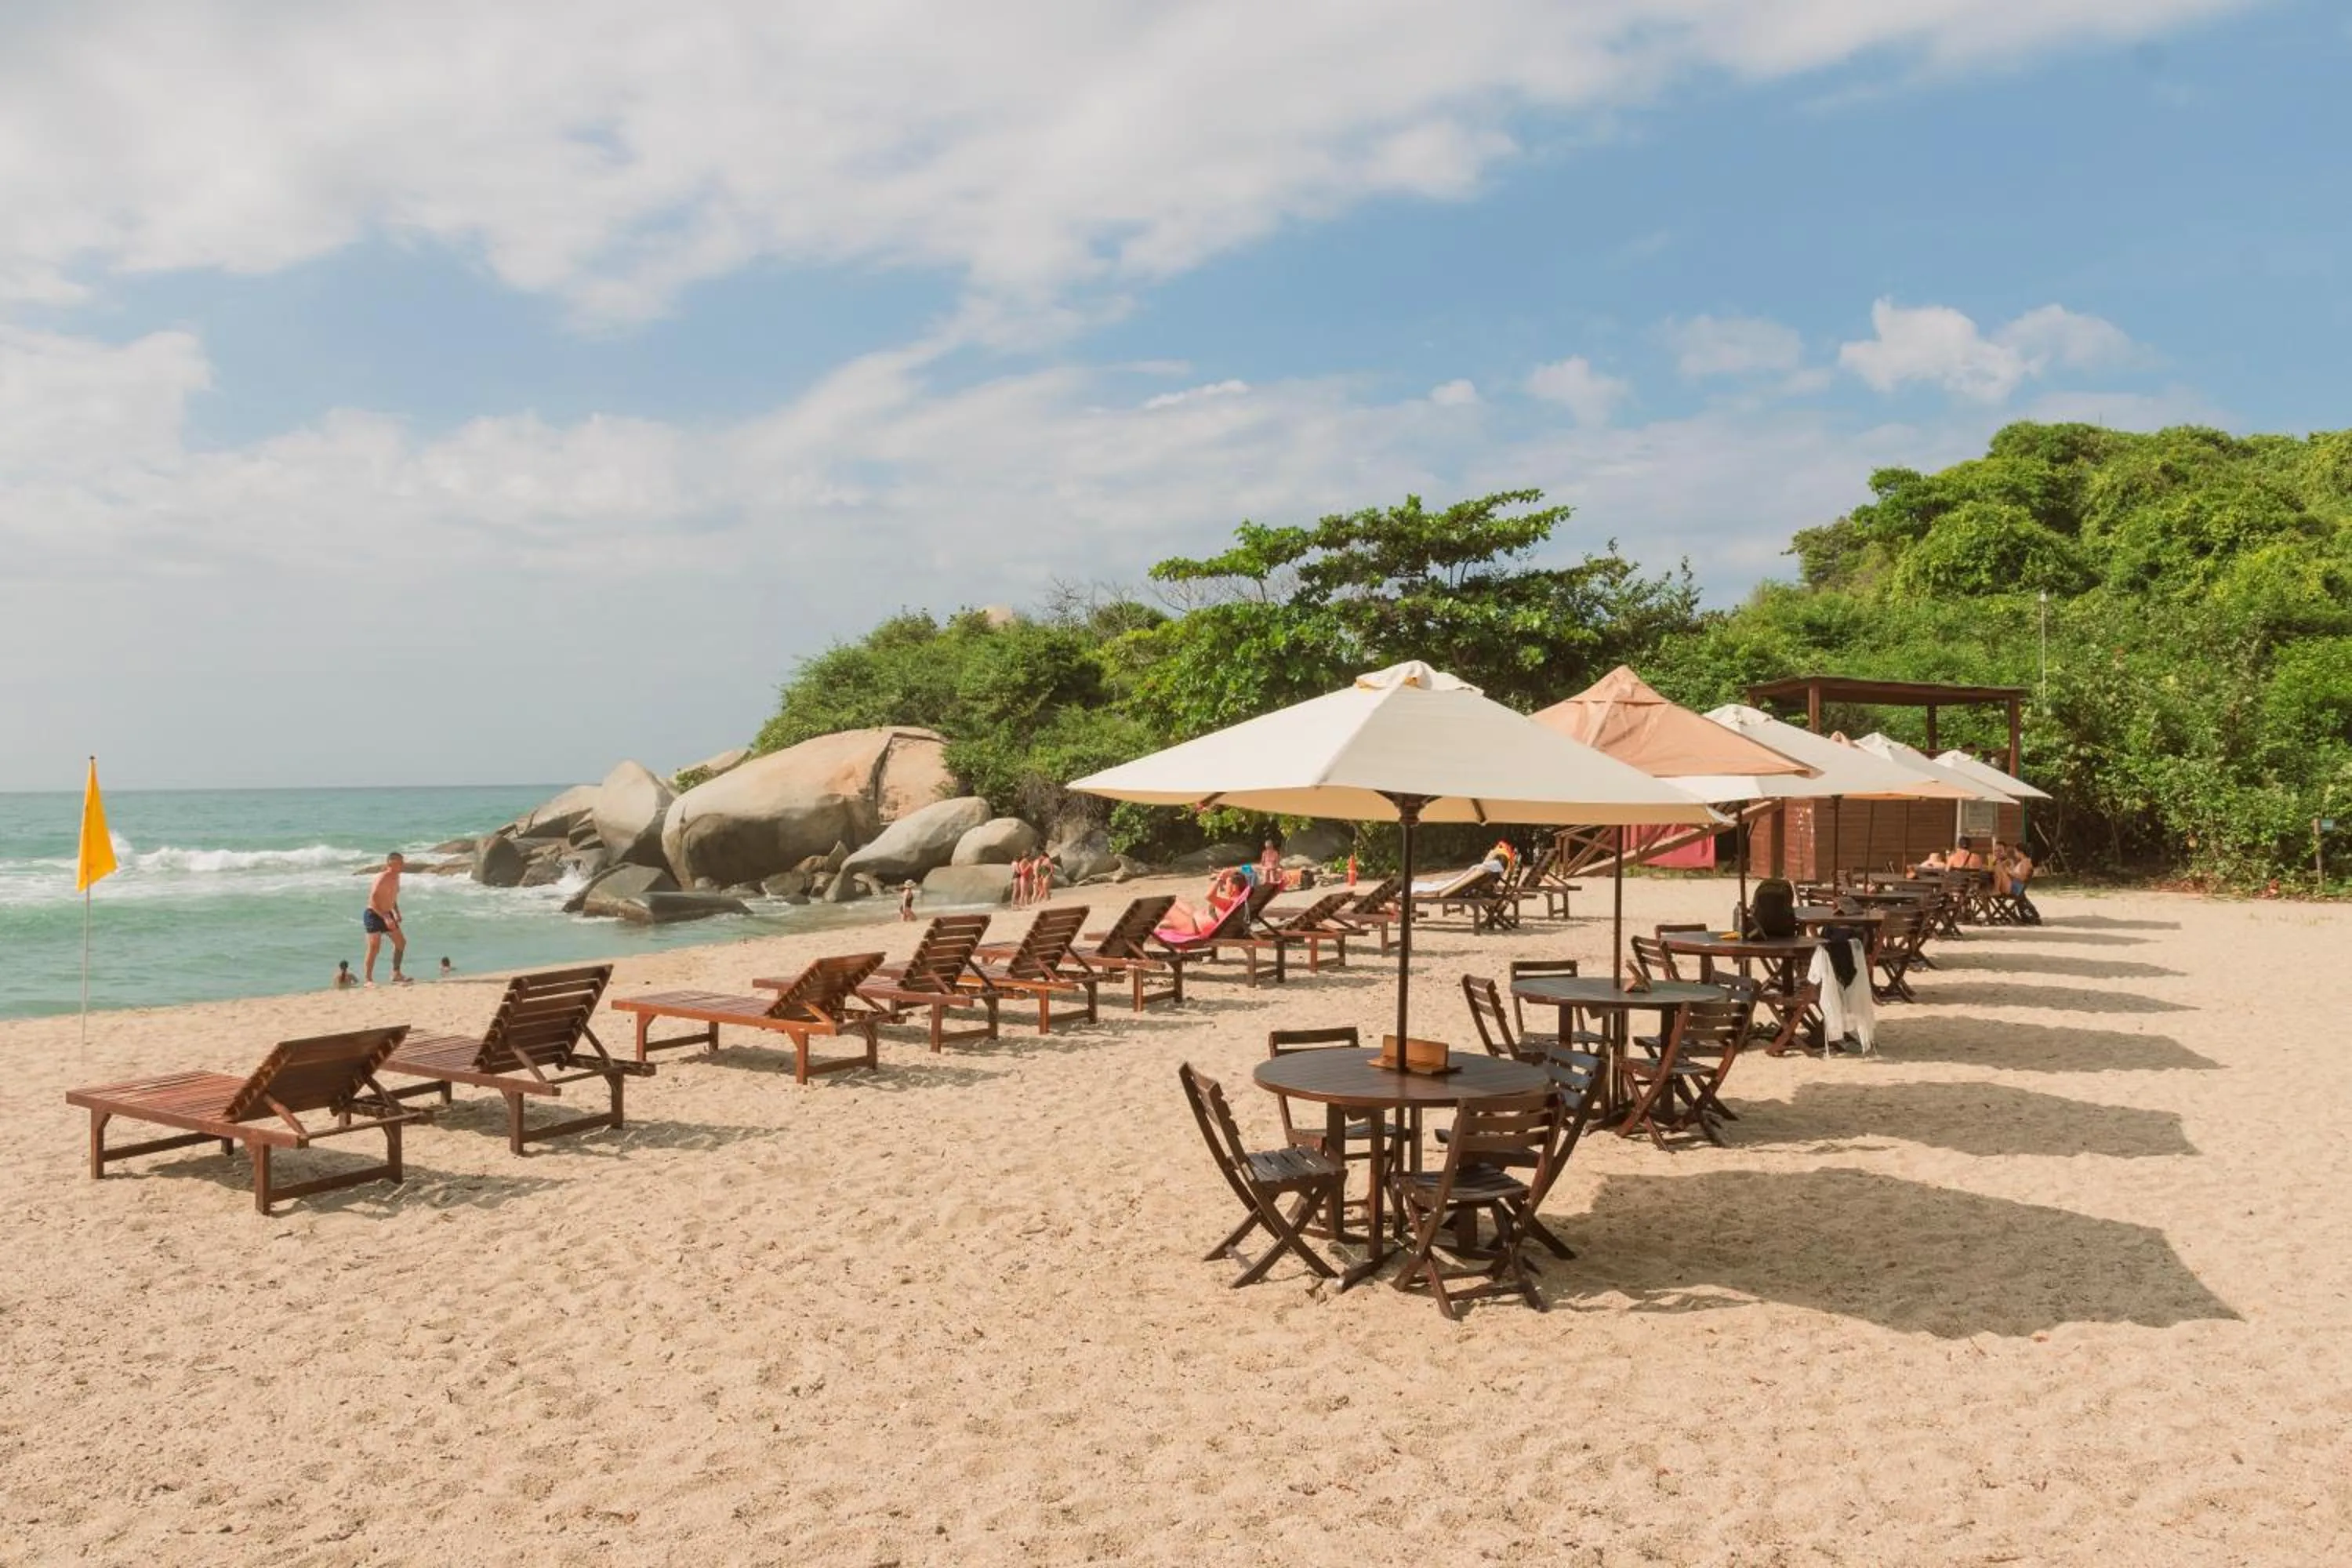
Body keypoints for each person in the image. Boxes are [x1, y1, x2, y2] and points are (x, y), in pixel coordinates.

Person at [1154, 868, 1248, 941]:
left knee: (1165, 905)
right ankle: (1167, 925)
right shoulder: (1237, 899)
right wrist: (1228, 873)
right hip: (1194, 919)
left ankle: (1163, 926)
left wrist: (1219, 879)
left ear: (1234, 887)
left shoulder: (1230, 903)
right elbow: (1240, 877)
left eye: (1226, 883)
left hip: (1193, 926)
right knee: (1173, 900)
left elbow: (1209, 896)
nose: (1224, 886)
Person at [363, 851, 409, 985]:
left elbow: (391, 897)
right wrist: (384, 917)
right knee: (374, 947)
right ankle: (368, 979)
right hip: (374, 914)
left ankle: (396, 974)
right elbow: (373, 899)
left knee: (401, 942)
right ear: (391, 863)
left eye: (403, 862)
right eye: (400, 862)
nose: (403, 865)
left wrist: (396, 913)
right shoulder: (383, 877)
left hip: (387, 913)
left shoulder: (397, 877)